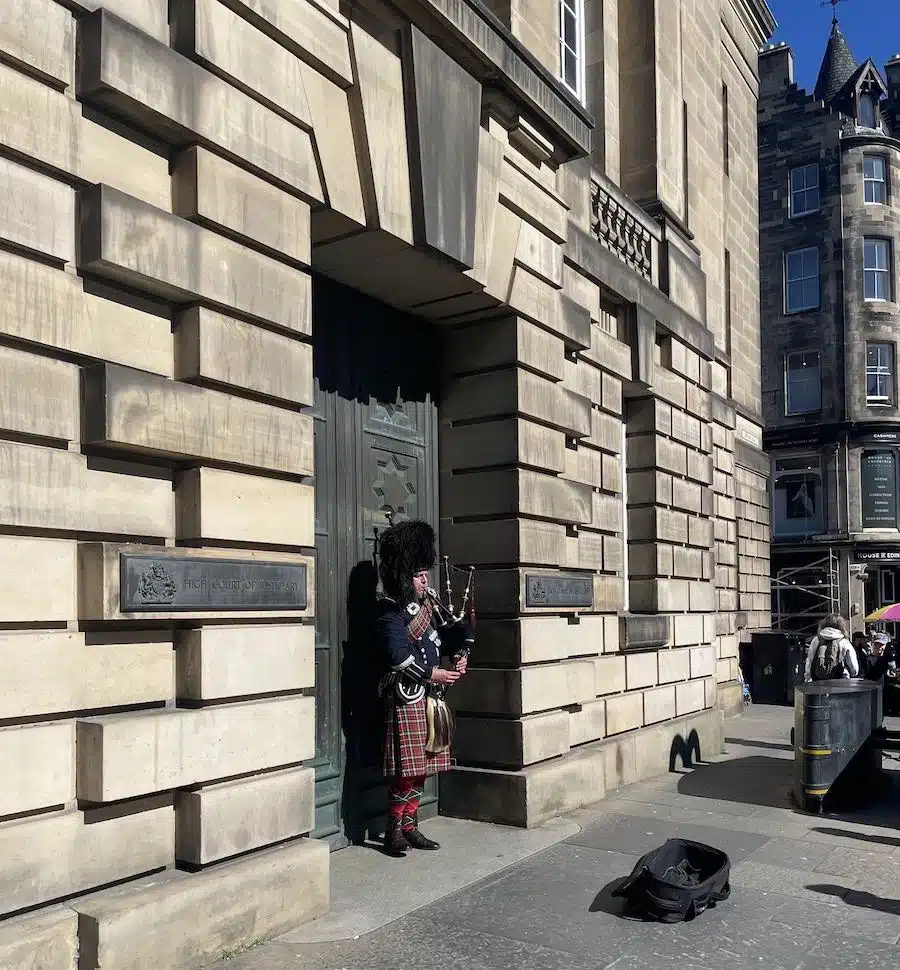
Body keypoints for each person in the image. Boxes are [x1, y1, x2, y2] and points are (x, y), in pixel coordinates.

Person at [373, 519, 473, 856]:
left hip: (429, 699)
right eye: (418, 574)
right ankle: (393, 830)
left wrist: (459, 657)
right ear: (403, 577)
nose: (425, 579)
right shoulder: (389, 612)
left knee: (422, 768)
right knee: (406, 771)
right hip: (407, 696)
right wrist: (434, 675)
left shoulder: (429, 609)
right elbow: (398, 657)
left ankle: (410, 826)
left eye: (425, 573)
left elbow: (446, 641)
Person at [804, 614, 859, 682]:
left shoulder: (816, 640)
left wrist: (808, 679)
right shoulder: (844, 642)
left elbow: (809, 662)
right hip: (842, 684)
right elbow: (854, 669)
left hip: (818, 684)